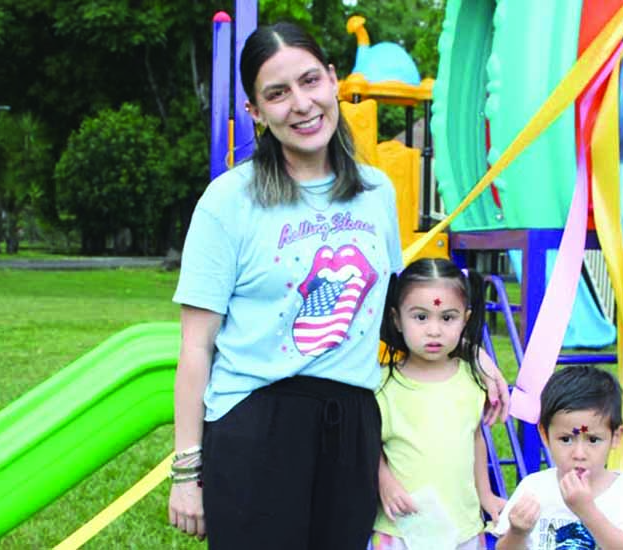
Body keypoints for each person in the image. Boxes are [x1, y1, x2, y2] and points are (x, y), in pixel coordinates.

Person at [166, 21, 509, 549]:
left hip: (351, 427)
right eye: (277, 93)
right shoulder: (228, 201)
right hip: (257, 424)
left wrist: (473, 353)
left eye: (310, 81)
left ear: (332, 79)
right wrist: (187, 472)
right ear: (255, 111)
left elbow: (393, 308)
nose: (301, 104)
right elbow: (195, 347)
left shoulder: (374, 193)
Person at [372, 258, 507, 550]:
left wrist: (485, 495)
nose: (434, 330)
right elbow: (369, 444)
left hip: (463, 529)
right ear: (397, 319)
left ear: (465, 319)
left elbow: (475, 438)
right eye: (420, 317)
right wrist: (385, 482)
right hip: (401, 531)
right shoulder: (381, 384)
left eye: (447, 318)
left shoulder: (472, 379)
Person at [494, 366, 623, 550]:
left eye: (593, 440)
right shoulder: (533, 488)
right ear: (545, 435)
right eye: (566, 439)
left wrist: (587, 511)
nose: (579, 454)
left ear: (615, 437)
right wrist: (517, 532)